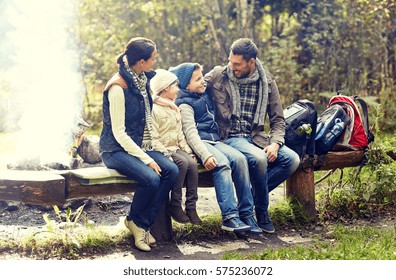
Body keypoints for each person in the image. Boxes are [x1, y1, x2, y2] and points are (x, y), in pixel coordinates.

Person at [205, 38, 300, 233]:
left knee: (291, 159)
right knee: (259, 158)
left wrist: (275, 144)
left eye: (237, 64)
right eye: (231, 61)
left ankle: (249, 197)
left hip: (256, 137)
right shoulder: (218, 75)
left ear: (252, 61)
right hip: (229, 137)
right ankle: (261, 211)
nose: (232, 67)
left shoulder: (267, 82)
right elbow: (190, 84)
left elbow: (278, 120)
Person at [99, 37, 179, 252]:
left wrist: (163, 101)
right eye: (152, 59)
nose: (155, 62)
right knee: (152, 178)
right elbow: (119, 133)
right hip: (115, 149)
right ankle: (136, 222)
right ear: (141, 61)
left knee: (171, 170)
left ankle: (140, 223)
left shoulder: (141, 79)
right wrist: (148, 159)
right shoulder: (118, 87)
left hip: (140, 144)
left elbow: (146, 101)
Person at [170, 62, 262, 235]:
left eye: (202, 77)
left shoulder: (204, 95)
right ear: (185, 85)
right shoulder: (185, 105)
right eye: (197, 80)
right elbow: (191, 134)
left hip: (216, 141)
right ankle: (229, 216)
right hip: (201, 143)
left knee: (241, 160)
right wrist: (204, 156)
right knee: (223, 164)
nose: (202, 82)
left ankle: (247, 213)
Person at [150, 69, 202, 225]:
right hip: (163, 150)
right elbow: (153, 137)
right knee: (182, 163)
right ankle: (175, 204)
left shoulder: (174, 109)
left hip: (175, 148)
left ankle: (191, 207)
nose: (178, 89)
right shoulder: (155, 109)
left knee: (192, 164)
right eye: (175, 86)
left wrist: (189, 151)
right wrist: (165, 153)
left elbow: (180, 135)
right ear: (166, 88)